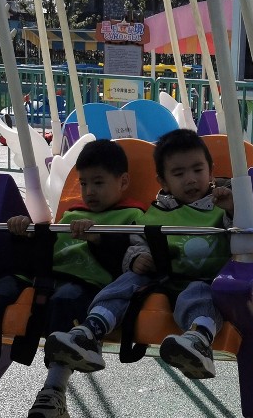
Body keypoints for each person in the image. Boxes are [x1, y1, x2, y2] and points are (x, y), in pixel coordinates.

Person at [0, 140, 146, 418]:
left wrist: (99, 239)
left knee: (65, 300)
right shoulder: (72, 214)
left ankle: (54, 389)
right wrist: (26, 233)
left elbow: (130, 264)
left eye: (98, 183)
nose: (89, 191)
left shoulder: (133, 217)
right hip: (43, 275)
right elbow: (44, 251)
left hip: (88, 281)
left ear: (123, 182)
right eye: (84, 184)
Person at [45, 129, 234, 382]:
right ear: (163, 182)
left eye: (197, 170)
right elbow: (138, 242)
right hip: (163, 278)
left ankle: (199, 339)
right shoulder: (156, 213)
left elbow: (245, 239)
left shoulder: (224, 204)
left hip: (208, 280)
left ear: (210, 172)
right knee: (127, 281)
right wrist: (137, 258)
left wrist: (233, 209)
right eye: (179, 174)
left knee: (199, 293)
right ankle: (91, 331)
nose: (190, 179)